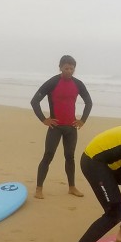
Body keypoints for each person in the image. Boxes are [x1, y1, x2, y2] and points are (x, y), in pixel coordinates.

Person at [30, 54, 93, 199]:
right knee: (48, 156)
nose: (69, 71)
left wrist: (82, 120)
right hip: (55, 127)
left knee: (70, 157)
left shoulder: (78, 84)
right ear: (60, 68)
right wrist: (44, 119)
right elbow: (34, 101)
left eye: (72, 68)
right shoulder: (52, 82)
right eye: (66, 68)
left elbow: (89, 102)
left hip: (71, 128)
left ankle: (72, 187)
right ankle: (39, 188)